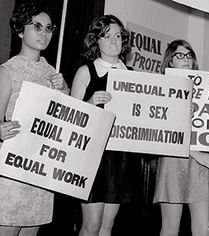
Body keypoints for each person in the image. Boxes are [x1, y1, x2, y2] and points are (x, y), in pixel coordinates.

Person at [0, 1, 69, 236]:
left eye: (49, 28)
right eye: (37, 26)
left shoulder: (52, 74)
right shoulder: (7, 71)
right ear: (20, 30)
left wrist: (65, 91)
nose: (44, 33)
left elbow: (66, 121)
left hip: (40, 170)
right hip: (12, 170)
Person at [71, 14, 140, 236]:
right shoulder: (86, 72)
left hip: (120, 158)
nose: (113, 41)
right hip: (92, 156)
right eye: (107, 36)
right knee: (91, 225)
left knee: (107, 227)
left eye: (118, 35)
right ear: (96, 40)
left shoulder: (133, 76)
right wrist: (90, 103)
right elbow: (70, 118)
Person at [153, 39, 209, 236]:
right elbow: (159, 132)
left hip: (201, 162)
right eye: (179, 55)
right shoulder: (160, 88)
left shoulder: (205, 89)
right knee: (170, 228)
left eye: (189, 55)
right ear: (170, 61)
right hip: (174, 161)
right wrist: (195, 152)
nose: (186, 59)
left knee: (202, 228)